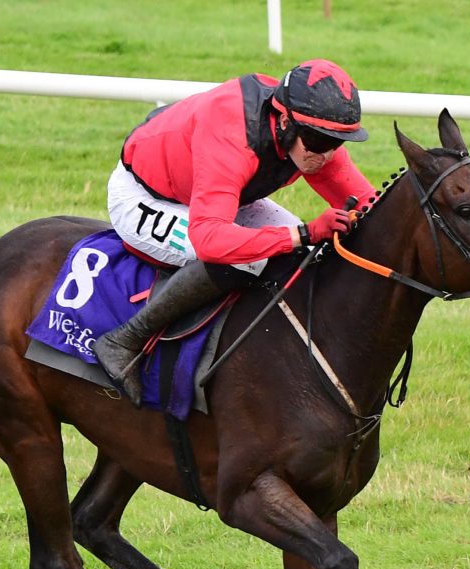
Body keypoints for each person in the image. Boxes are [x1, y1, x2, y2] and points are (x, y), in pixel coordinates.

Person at [94, 59, 378, 404]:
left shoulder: (307, 131)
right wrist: (304, 232)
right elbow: (209, 240)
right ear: (284, 121)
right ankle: (124, 340)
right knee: (250, 258)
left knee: (302, 257)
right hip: (144, 196)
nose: (327, 154)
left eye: (338, 141)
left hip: (218, 194)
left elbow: (369, 205)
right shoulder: (233, 135)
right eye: (319, 141)